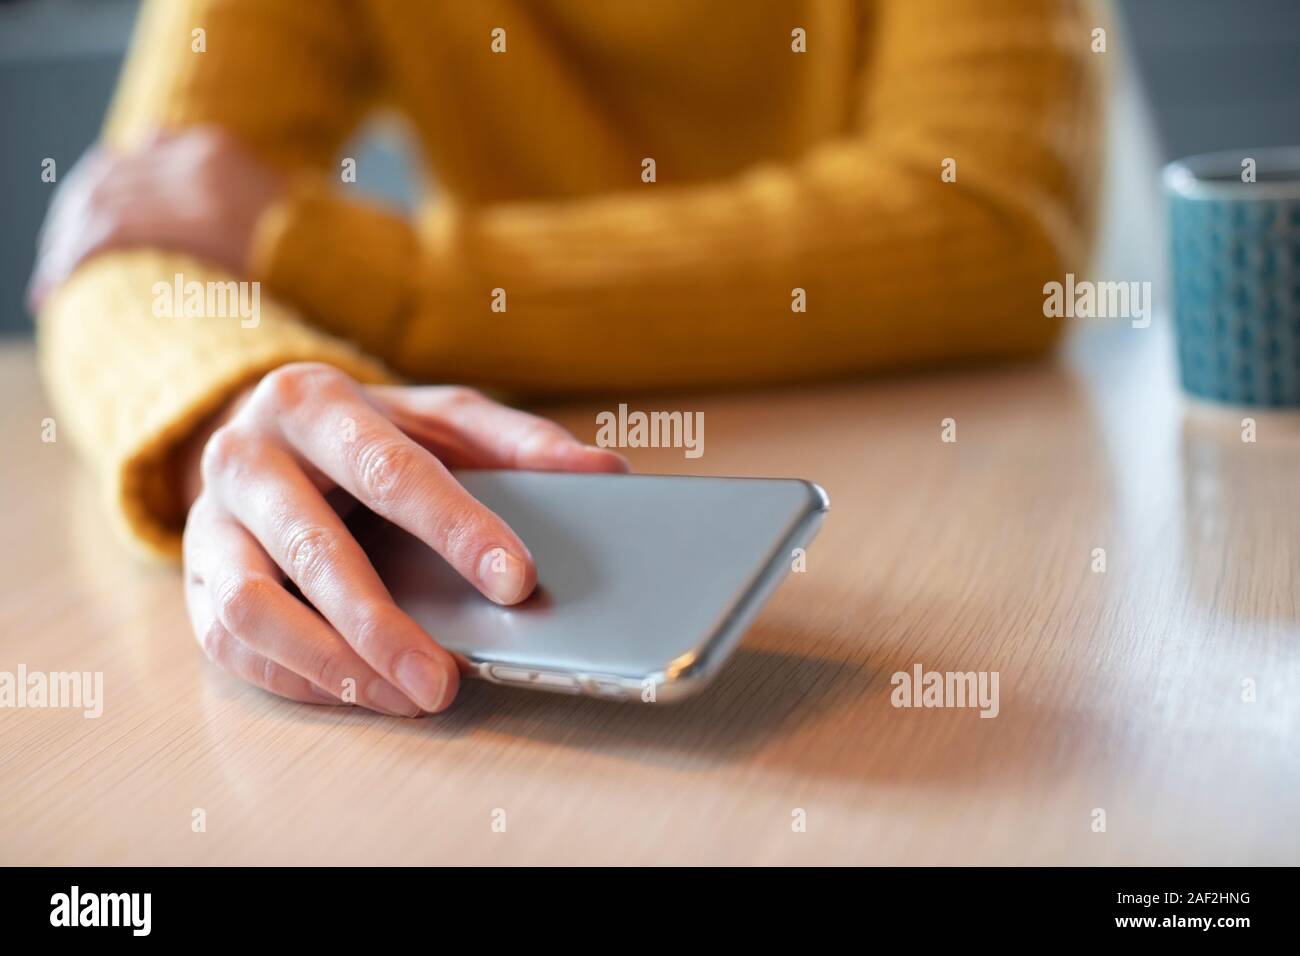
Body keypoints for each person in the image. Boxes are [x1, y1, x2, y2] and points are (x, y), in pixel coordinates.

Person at [30, 0, 1102, 716]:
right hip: (512, 494)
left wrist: (369, 271)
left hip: (983, 505)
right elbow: (135, 225)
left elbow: (990, 225)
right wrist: (238, 407)